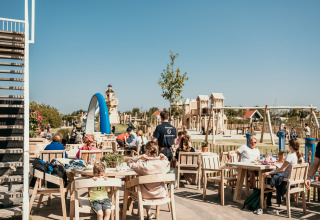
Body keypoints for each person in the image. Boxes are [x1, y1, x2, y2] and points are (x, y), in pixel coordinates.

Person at [127, 141, 170, 219]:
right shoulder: (162, 164)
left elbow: (129, 162)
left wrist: (139, 157)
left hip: (145, 195)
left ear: (147, 151)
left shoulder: (143, 165)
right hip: (161, 194)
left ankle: (128, 209)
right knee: (150, 185)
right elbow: (168, 163)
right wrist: (164, 157)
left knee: (142, 187)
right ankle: (149, 213)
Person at [264, 139, 303, 207]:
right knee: (274, 176)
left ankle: (267, 201)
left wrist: (269, 172)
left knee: (267, 178)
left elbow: (282, 169)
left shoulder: (290, 156)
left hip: (286, 183)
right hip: (294, 182)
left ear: (290, 146)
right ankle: (269, 202)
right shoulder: (301, 157)